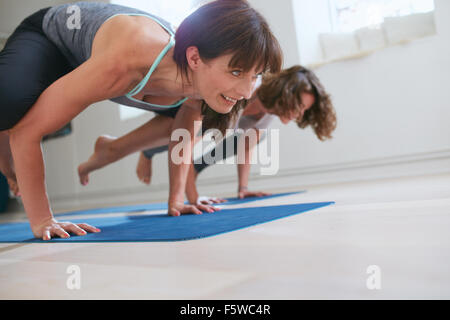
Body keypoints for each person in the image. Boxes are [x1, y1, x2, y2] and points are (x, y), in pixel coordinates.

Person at [0, 0, 282, 240]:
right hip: (50, 39)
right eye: (236, 72)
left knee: (208, 112)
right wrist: (42, 220)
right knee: (10, 105)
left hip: (93, 60)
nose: (247, 91)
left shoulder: (200, 83)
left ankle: (100, 148)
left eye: (255, 75)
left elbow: (183, 133)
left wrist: (176, 201)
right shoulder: (127, 60)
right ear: (195, 59)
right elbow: (27, 132)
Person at [84, 65, 337, 204]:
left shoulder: (270, 112)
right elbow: (188, 140)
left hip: (201, 128)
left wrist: (243, 187)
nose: (298, 114)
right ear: (284, 94)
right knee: (124, 150)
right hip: (183, 108)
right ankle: (121, 148)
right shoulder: (245, 89)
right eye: (298, 106)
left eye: (304, 111)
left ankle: (124, 147)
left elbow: (246, 145)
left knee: (254, 136)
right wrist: (192, 196)